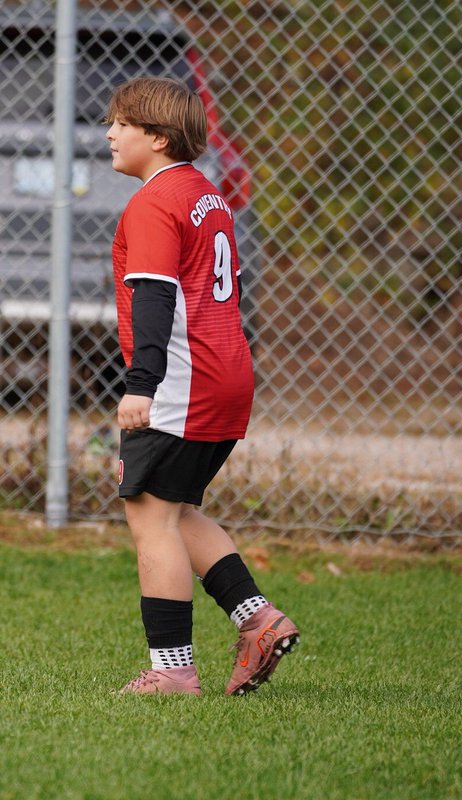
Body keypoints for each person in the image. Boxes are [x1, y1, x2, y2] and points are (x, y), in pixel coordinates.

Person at [104, 77, 300, 695]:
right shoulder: (208, 196)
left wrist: (142, 385)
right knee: (178, 508)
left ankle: (173, 672)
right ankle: (258, 619)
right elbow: (229, 289)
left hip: (180, 384)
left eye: (121, 124)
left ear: (157, 139)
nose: (109, 133)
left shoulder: (154, 202)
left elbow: (157, 297)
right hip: (224, 375)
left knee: (150, 519)